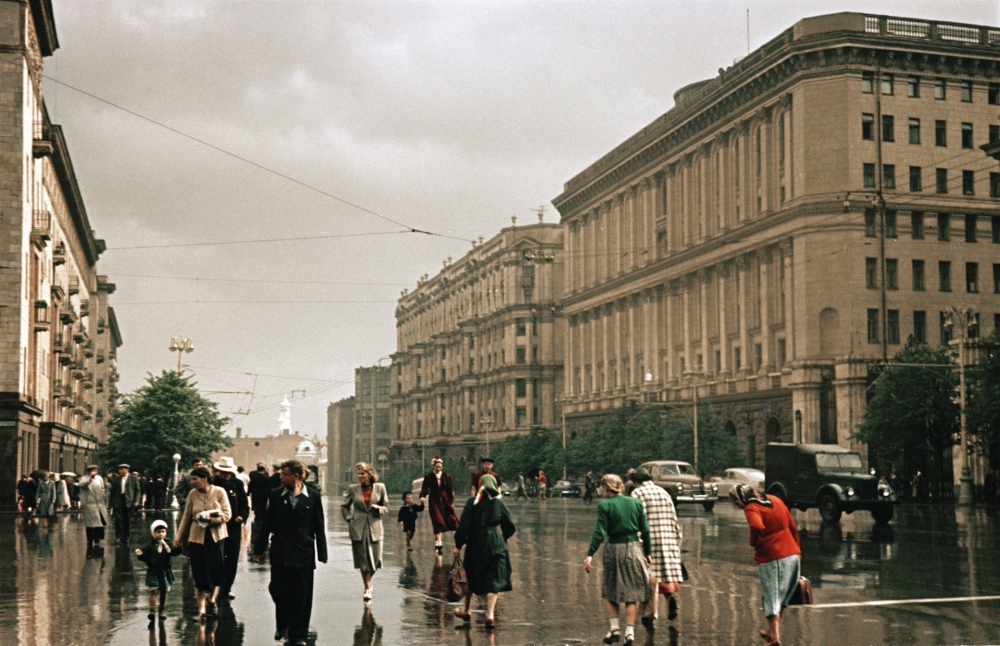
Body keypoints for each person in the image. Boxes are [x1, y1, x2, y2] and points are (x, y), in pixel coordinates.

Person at [253, 459, 328, 646]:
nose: (280, 477)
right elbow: (267, 523)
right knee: (278, 589)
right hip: (281, 550)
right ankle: (283, 623)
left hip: (304, 551)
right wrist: (259, 548)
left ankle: (299, 634)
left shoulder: (313, 495)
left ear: (296, 476)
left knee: (303, 594)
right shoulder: (276, 495)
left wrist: (322, 553)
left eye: (284, 474)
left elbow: (319, 526)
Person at [584, 474, 651, 646]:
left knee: (612, 588)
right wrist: (648, 552)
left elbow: (599, 532)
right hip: (634, 548)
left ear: (606, 487)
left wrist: (590, 554)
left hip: (613, 549)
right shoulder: (635, 502)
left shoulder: (605, 505)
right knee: (632, 592)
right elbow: (645, 530)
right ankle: (629, 633)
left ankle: (614, 629)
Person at [729, 484, 800, 646]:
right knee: (781, 597)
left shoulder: (751, 508)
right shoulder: (775, 499)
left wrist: (754, 542)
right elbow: (792, 525)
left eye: (736, 502)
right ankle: (770, 631)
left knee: (770, 597)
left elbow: (757, 526)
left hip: (772, 558)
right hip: (792, 555)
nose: (737, 506)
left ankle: (775, 638)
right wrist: (798, 550)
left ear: (742, 497)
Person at [453, 474, 515, 630]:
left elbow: (464, 527)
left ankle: (466, 611)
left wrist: (458, 545)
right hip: (495, 541)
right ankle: (490, 616)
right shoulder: (498, 503)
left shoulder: (472, 503)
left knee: (471, 576)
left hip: (475, 543)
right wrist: (505, 536)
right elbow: (509, 523)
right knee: (495, 577)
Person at [630, 467, 684, 632]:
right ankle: (671, 600)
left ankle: (649, 616)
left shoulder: (637, 494)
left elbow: (635, 519)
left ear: (636, 481)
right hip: (667, 538)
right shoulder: (663, 492)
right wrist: (676, 537)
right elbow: (673, 516)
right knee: (666, 575)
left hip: (648, 540)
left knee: (649, 579)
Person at [174, 466, 232, 621]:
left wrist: (211, 520)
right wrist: (178, 537)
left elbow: (227, 515)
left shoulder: (219, 492)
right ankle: (201, 610)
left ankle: (211, 599)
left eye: (195, 479)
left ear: (205, 478)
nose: (192, 482)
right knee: (199, 573)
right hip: (196, 539)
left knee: (215, 572)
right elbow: (186, 518)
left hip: (216, 538)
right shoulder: (192, 495)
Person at [342, 462, 389, 601]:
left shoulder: (380, 488)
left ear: (370, 474)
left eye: (362, 473)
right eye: (358, 473)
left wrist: (378, 508)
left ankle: (368, 581)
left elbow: (386, 506)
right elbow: (344, 507)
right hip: (358, 526)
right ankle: (367, 587)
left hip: (375, 525)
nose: (360, 476)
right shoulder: (353, 489)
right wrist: (349, 518)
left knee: (376, 559)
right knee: (363, 559)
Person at [212, 457, 249, 601]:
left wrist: (242, 516)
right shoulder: (213, 483)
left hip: (233, 528)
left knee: (231, 559)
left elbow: (244, 504)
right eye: (223, 472)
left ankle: (226, 589)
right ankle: (214, 587)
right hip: (217, 527)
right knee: (217, 558)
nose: (225, 475)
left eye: (228, 472)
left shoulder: (237, 484)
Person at [135, 519, 183, 626]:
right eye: (158, 532)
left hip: (165, 571)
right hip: (153, 571)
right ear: (153, 533)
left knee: (164, 591)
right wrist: (140, 555)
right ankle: (152, 611)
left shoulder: (169, 543)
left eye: (163, 531)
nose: (161, 534)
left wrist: (178, 546)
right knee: (154, 591)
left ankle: (162, 610)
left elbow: (175, 552)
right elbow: (145, 557)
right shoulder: (150, 545)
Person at [420, 457, 459, 555]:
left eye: (440, 467)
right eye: (437, 467)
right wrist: (422, 496)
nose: (438, 469)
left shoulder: (446, 476)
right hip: (434, 500)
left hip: (445, 500)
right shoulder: (429, 477)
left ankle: (437, 538)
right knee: (437, 519)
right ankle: (439, 542)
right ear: (433, 466)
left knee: (448, 519)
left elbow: (449, 490)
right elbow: (424, 488)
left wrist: (451, 502)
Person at [77, 465, 109, 553]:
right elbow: (81, 484)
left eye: (96, 470)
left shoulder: (99, 478)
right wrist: (90, 477)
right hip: (90, 504)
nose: (96, 472)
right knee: (91, 524)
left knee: (99, 523)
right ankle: (90, 540)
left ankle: (97, 540)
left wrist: (103, 494)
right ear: (89, 471)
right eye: (94, 471)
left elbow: (103, 488)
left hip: (99, 503)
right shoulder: (84, 479)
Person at [109, 464, 142, 544]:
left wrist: (136, 501)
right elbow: (112, 492)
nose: (119, 471)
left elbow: (137, 490)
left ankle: (126, 537)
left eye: (122, 469)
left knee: (126, 520)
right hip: (118, 502)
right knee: (118, 520)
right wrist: (111, 503)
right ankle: (118, 537)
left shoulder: (133, 478)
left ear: (127, 470)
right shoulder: (116, 479)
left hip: (129, 502)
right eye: (119, 469)